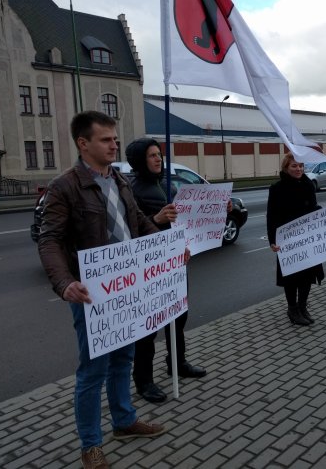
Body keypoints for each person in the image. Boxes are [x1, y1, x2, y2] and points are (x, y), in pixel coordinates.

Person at [38, 112, 179, 469]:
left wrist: (169, 249)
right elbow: (50, 239)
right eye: (105, 139)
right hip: (91, 293)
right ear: (83, 144)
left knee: (123, 360)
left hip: (126, 289)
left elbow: (138, 224)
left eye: (115, 138)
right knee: (92, 371)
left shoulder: (120, 181)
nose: (114, 144)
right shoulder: (65, 186)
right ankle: (91, 445)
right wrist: (64, 283)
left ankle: (124, 421)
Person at [125, 138, 206, 405]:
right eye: (151, 155)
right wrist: (155, 220)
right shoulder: (131, 189)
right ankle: (144, 380)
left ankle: (177, 362)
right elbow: (128, 233)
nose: (158, 159)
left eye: (159, 154)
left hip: (173, 263)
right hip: (148, 268)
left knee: (178, 316)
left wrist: (187, 243)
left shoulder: (166, 185)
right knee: (148, 326)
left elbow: (181, 221)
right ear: (139, 160)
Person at [267, 153, 326, 325]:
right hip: (288, 239)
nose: (298, 169)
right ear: (286, 168)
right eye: (294, 166)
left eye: (301, 166)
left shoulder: (307, 184)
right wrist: (273, 240)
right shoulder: (277, 188)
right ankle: (292, 309)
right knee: (291, 276)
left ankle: (302, 306)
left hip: (307, 238)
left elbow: (313, 208)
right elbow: (272, 216)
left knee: (307, 274)